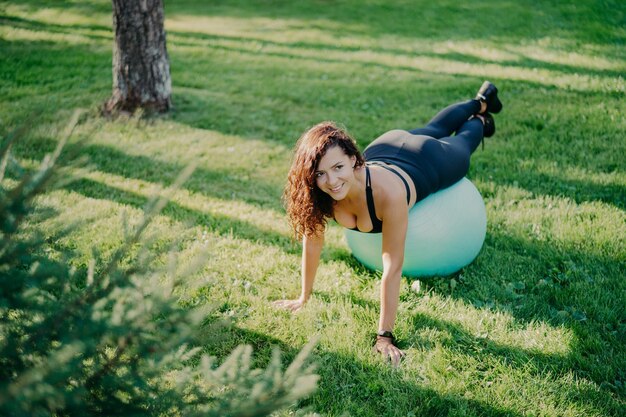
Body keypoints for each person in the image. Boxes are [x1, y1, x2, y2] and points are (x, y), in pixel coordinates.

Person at [274, 81, 503, 366]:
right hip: (388, 146)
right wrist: (303, 296)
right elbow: (313, 242)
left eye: (338, 168)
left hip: (427, 161)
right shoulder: (321, 194)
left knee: (460, 142)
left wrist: (384, 336)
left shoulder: (389, 196)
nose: (331, 182)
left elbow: (393, 267)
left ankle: (480, 112)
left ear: (354, 161)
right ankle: (482, 100)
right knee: (431, 127)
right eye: (320, 174)